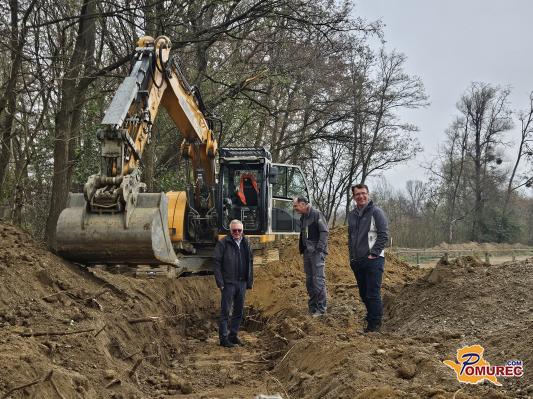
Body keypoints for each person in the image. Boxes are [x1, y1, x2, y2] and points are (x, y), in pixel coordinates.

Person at [348, 184, 388, 332]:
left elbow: (383, 235)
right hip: (357, 261)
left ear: (368, 194)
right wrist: (352, 258)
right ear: (354, 197)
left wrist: (374, 253)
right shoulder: (352, 215)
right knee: (363, 293)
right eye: (357, 194)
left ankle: (374, 325)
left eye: (363, 193)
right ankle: (371, 317)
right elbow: (350, 237)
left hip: (374, 259)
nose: (361, 196)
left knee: (373, 293)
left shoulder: (376, 212)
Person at [213, 219, 254, 347]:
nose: (237, 232)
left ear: (242, 231)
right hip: (228, 283)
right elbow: (216, 263)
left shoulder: (246, 243)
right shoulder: (223, 243)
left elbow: (250, 262)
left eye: (239, 230)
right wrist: (220, 282)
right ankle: (223, 339)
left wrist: (249, 281)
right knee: (225, 311)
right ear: (230, 231)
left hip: (241, 282)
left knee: (238, 311)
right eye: (234, 230)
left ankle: (233, 335)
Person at [293, 197, 329, 316]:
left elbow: (324, 232)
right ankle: (313, 306)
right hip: (307, 252)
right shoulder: (303, 217)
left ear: (303, 204)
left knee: (318, 280)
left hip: (316, 253)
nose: (295, 209)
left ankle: (321, 309)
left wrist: (319, 248)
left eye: (296, 206)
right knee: (309, 281)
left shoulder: (316, 214)